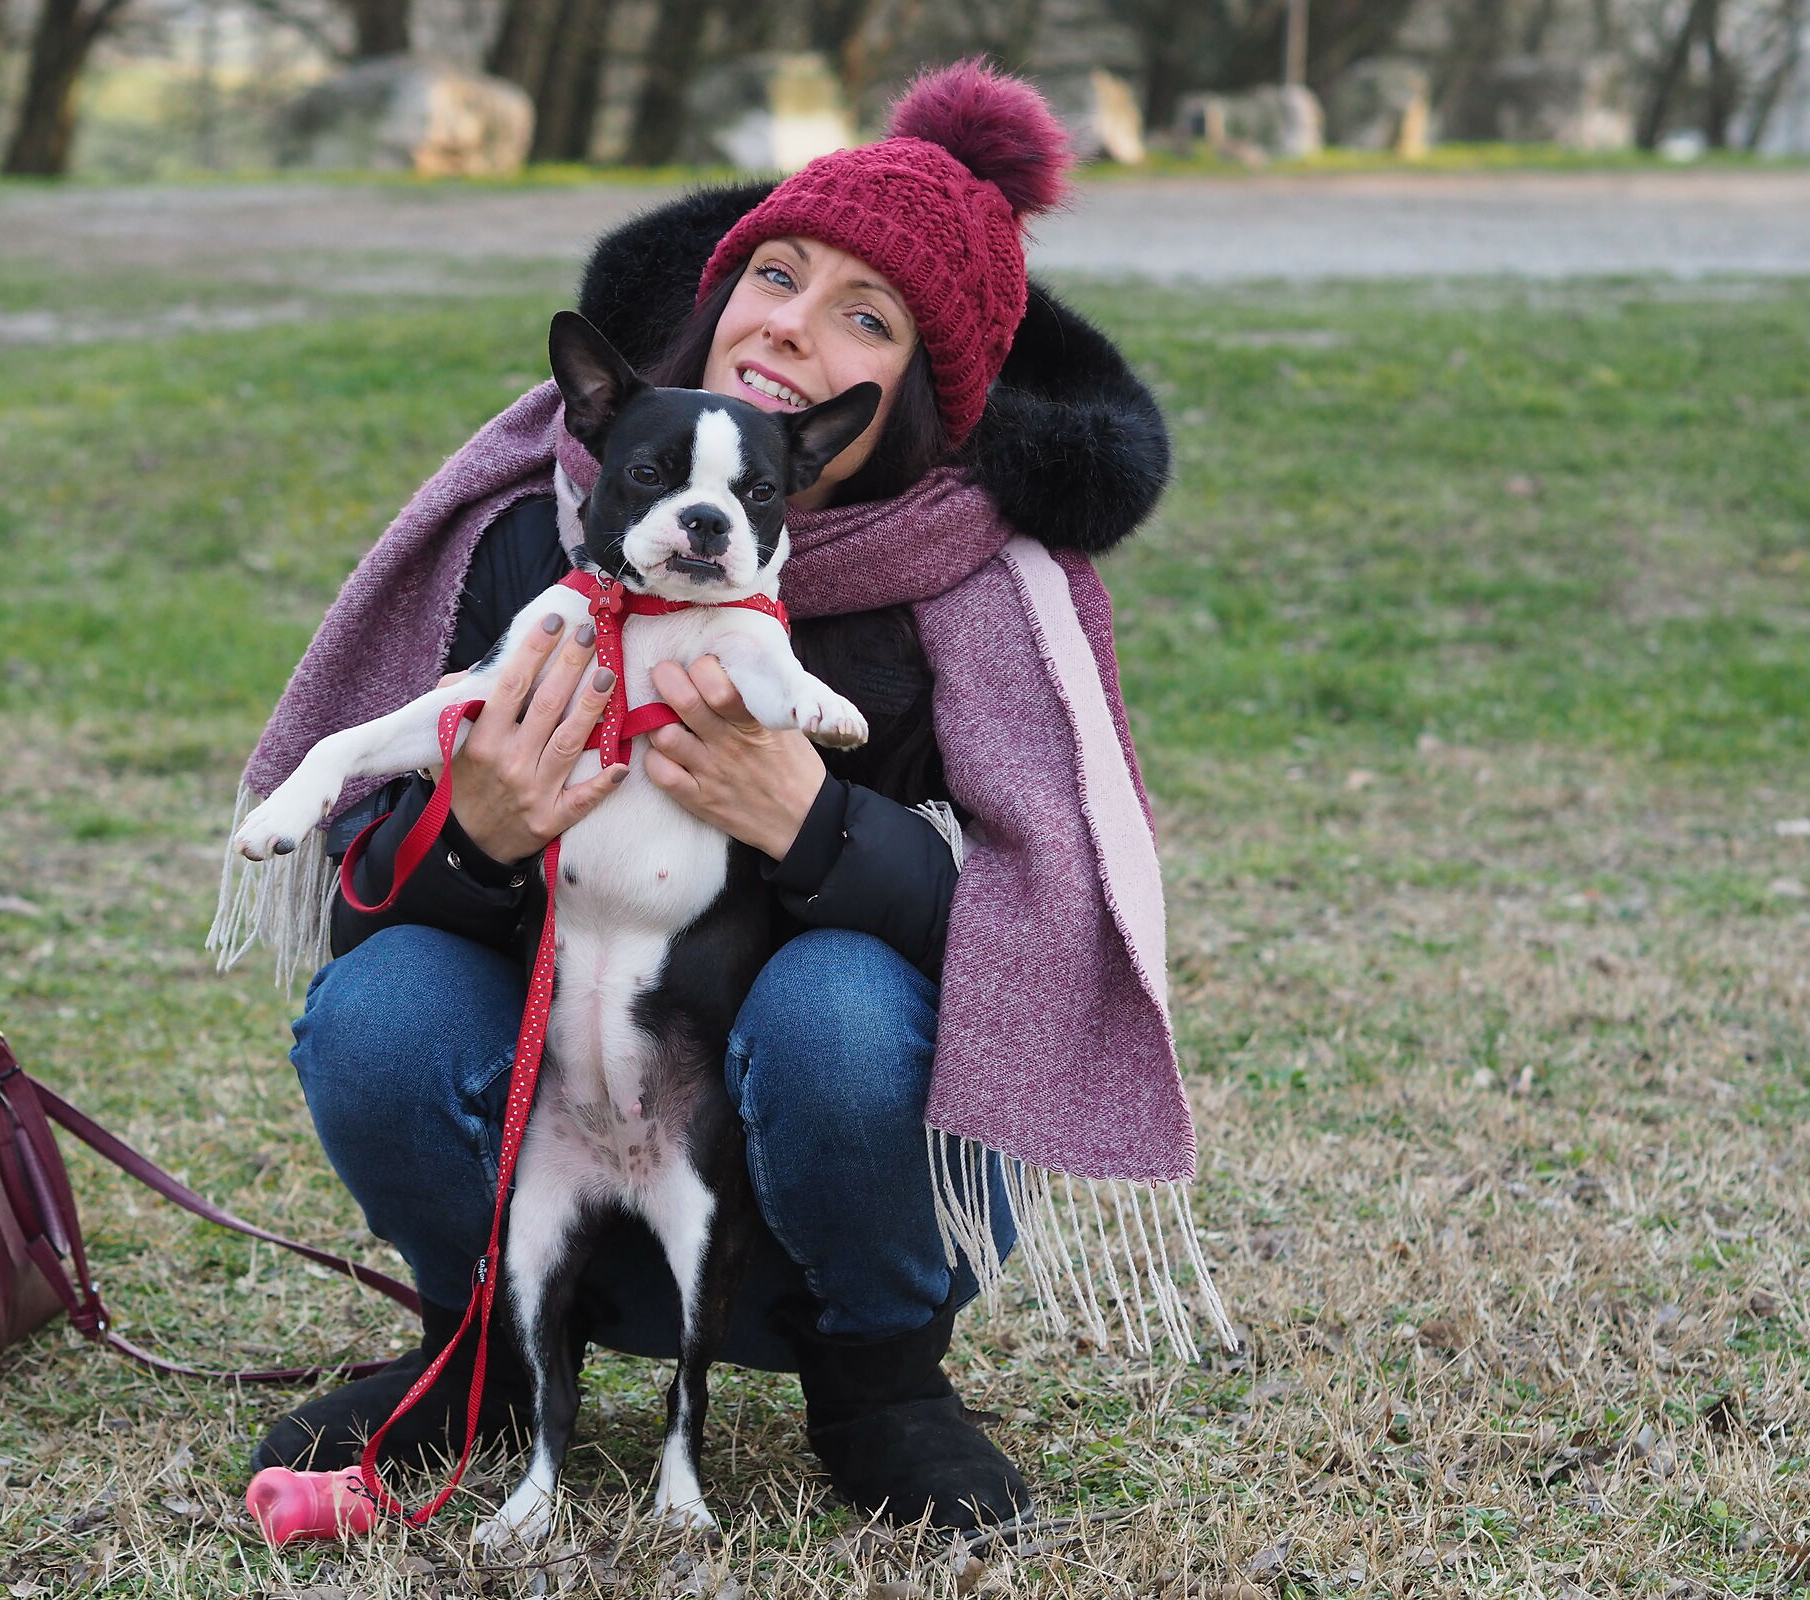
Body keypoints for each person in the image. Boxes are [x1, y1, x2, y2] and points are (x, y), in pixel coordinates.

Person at [222, 61, 1204, 1533]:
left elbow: (1026, 938)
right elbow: (365, 901)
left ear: (917, 398)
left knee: (838, 1011)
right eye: (777, 273)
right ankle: (483, 1344)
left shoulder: (979, 604)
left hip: (834, 1174)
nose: (793, 327)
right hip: (572, 1113)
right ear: (718, 285)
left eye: (864, 317)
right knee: (385, 1008)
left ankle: (882, 1384)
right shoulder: (541, 532)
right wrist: (477, 840)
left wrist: (810, 822)